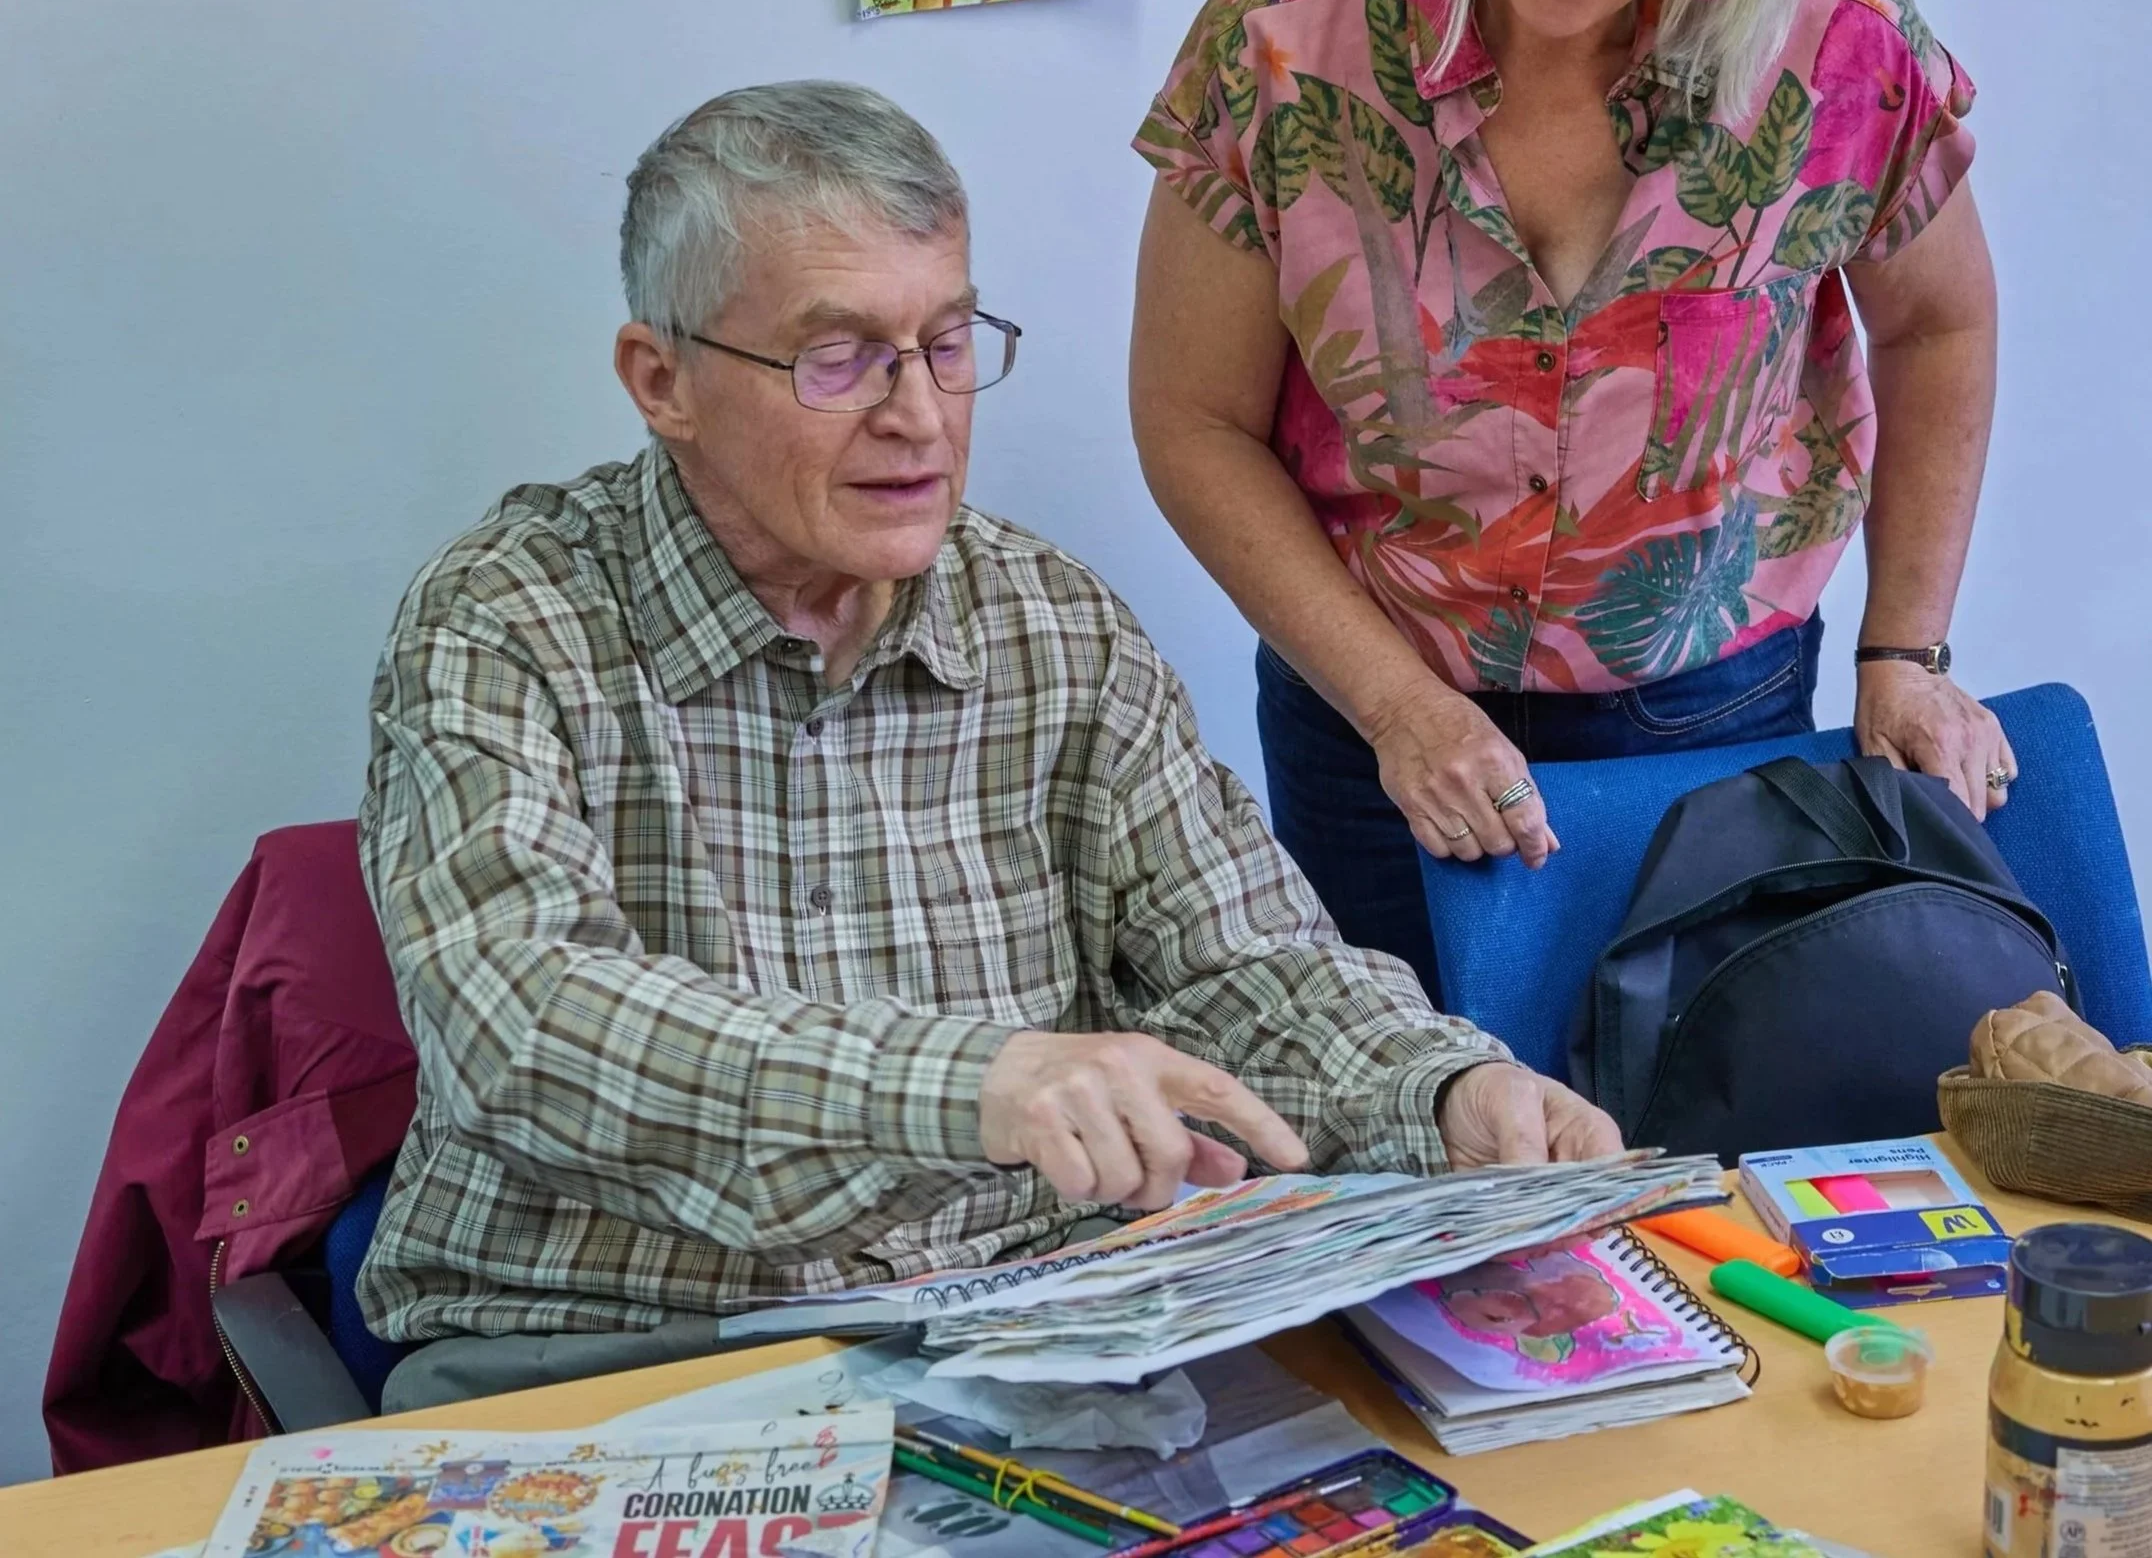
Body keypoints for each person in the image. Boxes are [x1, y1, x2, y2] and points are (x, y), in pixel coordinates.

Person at [357, 81, 1618, 1410]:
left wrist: (1444, 1093)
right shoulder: (506, 617)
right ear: (660, 380)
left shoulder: (1051, 623)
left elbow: (1247, 965)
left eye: (947, 343)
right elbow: (525, 1026)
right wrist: (972, 1083)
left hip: (1016, 1335)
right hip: (618, 1342)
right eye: (837, 357)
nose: (916, 415)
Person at [1130, 0, 2012, 1001]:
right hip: (1374, 716)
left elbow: (1941, 327)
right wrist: (1400, 708)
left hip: (1716, 711)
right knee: (1418, 1166)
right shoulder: (1283, 41)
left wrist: (1905, 648)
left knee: (1707, 1158)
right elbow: (1193, 418)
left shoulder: (1843, 42)